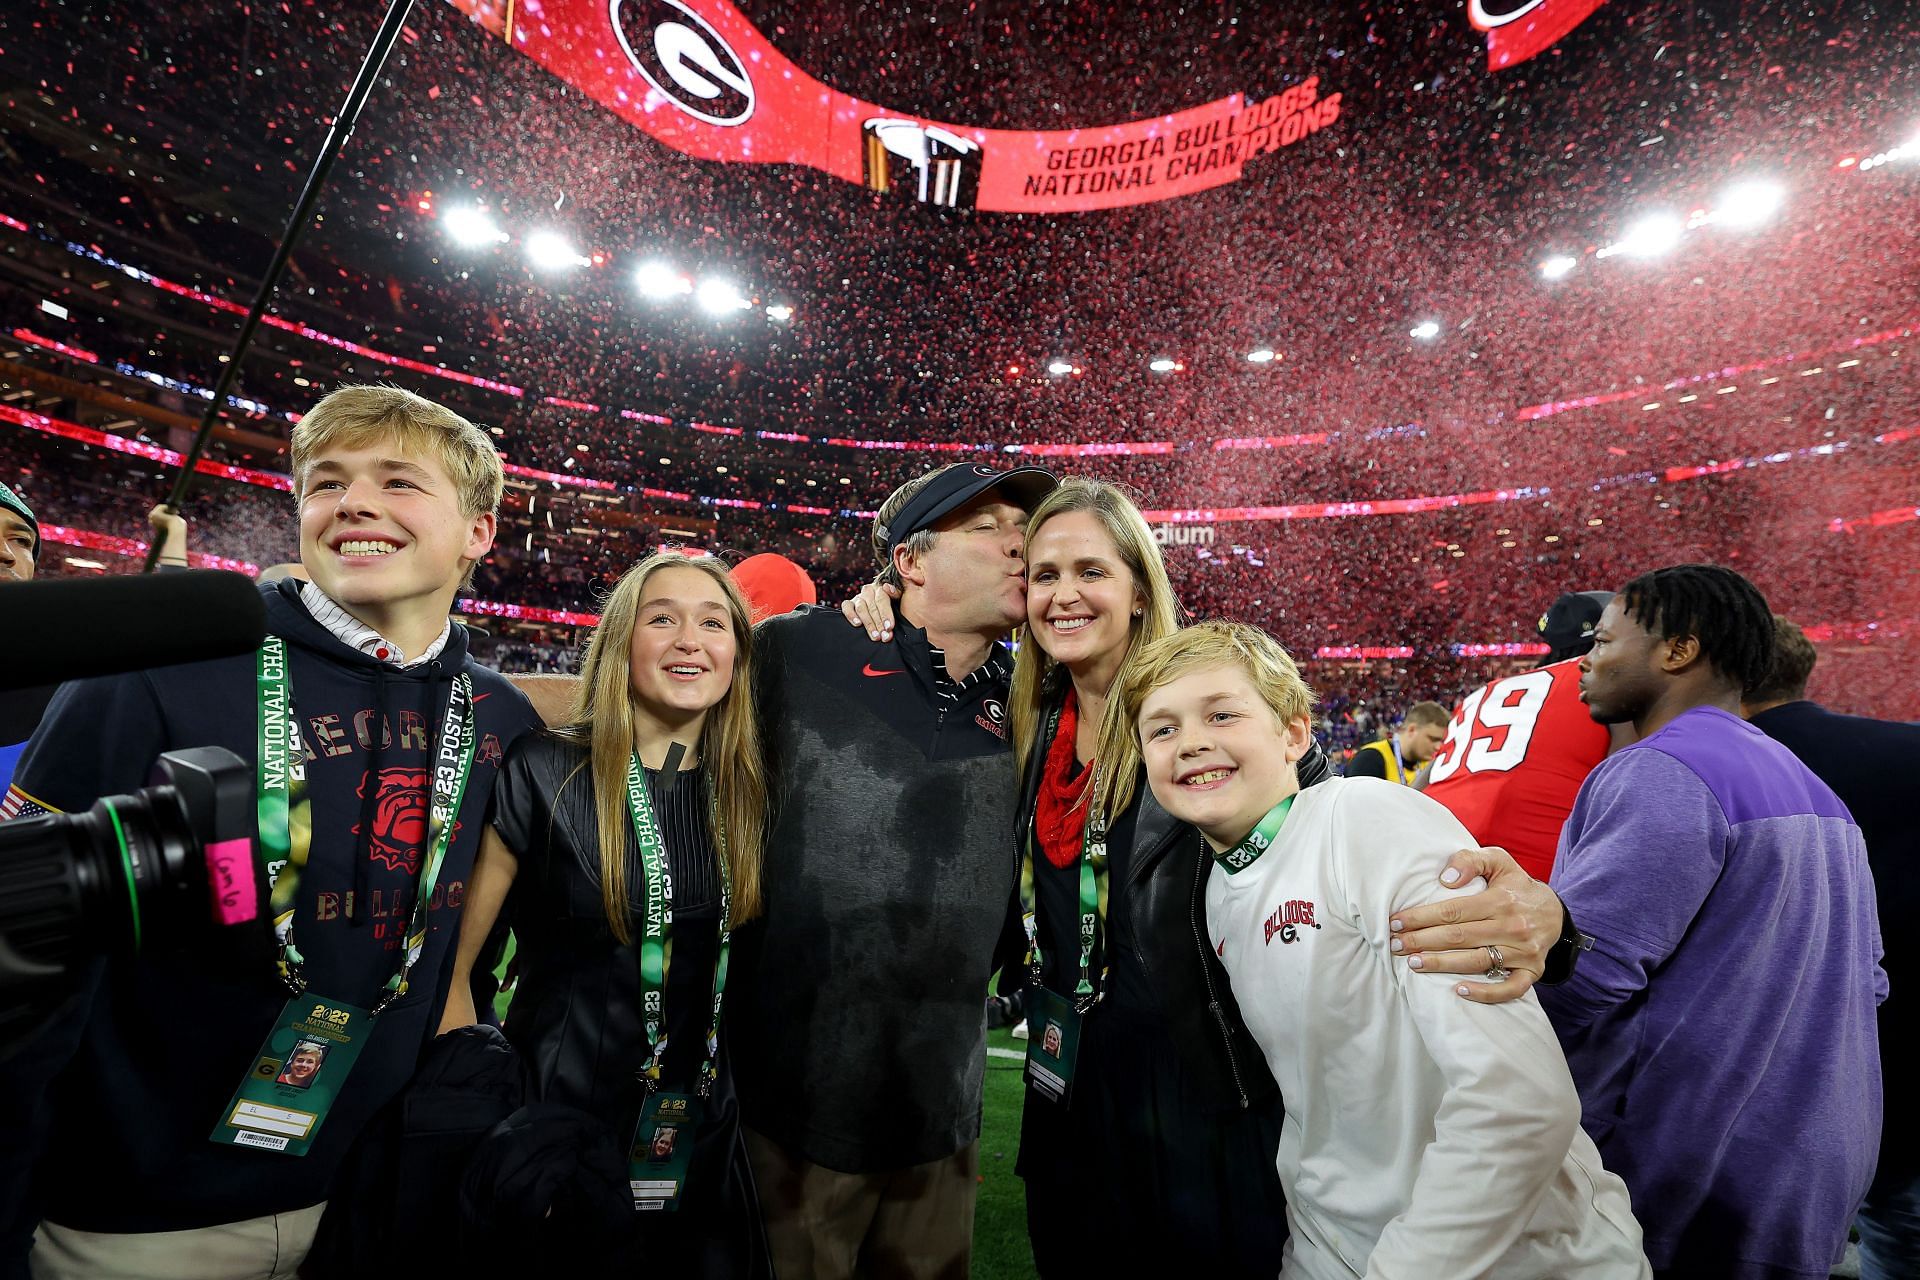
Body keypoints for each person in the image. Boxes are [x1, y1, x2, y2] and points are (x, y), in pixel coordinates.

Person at [840, 477, 1563, 1277]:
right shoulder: (1024, 724)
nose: (1064, 595)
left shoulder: (1206, 729)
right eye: (1044, 576)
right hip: (1067, 1093)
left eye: (1091, 572)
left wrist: (1548, 919)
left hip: (1202, 1101)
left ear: (1140, 591)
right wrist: (878, 598)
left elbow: (1342, 841)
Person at [0, 384, 542, 1280]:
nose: (353, 502)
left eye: (398, 482)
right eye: (325, 484)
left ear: (479, 531)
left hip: (371, 1188)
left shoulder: (502, 714)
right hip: (137, 1216)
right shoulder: (153, 670)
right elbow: (28, 961)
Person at [1123, 620, 1649, 1277]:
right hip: (1333, 1248)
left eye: (1222, 714)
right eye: (1162, 729)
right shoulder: (1218, 893)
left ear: (1293, 732)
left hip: (1523, 1256)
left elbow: (1516, 1104)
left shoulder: (1363, 820)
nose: (1192, 742)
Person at [728, 461, 1053, 1279]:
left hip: (942, 1100)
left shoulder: (1036, 697)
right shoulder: (793, 651)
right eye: (989, 532)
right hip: (794, 1098)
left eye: (1026, 535)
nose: (1020, 549)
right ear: (909, 561)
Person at [1537, 565, 1884, 1279]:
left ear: (1678, 651)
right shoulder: (1814, 787)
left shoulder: (1660, 769)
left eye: (1602, 641)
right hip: (1810, 1159)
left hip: (1684, 1161)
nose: (1585, 661)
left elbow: (1581, 978)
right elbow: (1870, 983)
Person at [435, 551, 772, 1275]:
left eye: (713, 622)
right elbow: (457, 974)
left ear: (738, 656)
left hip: (701, 1137)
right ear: (621, 642)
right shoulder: (542, 768)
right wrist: (501, 1131)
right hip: (553, 1131)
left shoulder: (753, 794)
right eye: (662, 618)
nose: (690, 639)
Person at [1743, 615, 1918, 1280]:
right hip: (1901, 1049)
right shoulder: (1903, 751)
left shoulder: (1689, 766)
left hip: (1765, 1062)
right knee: (1899, 1230)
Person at [1424, 590, 1621, 880]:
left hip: (1433, 862)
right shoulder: (1599, 687)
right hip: (1534, 880)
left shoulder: (1484, 691)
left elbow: (1420, 785)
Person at [1343, 700, 1448, 784]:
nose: (1438, 747)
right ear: (1412, 730)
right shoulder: (1370, 759)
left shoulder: (1428, 764)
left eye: (1441, 741)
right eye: (1433, 739)